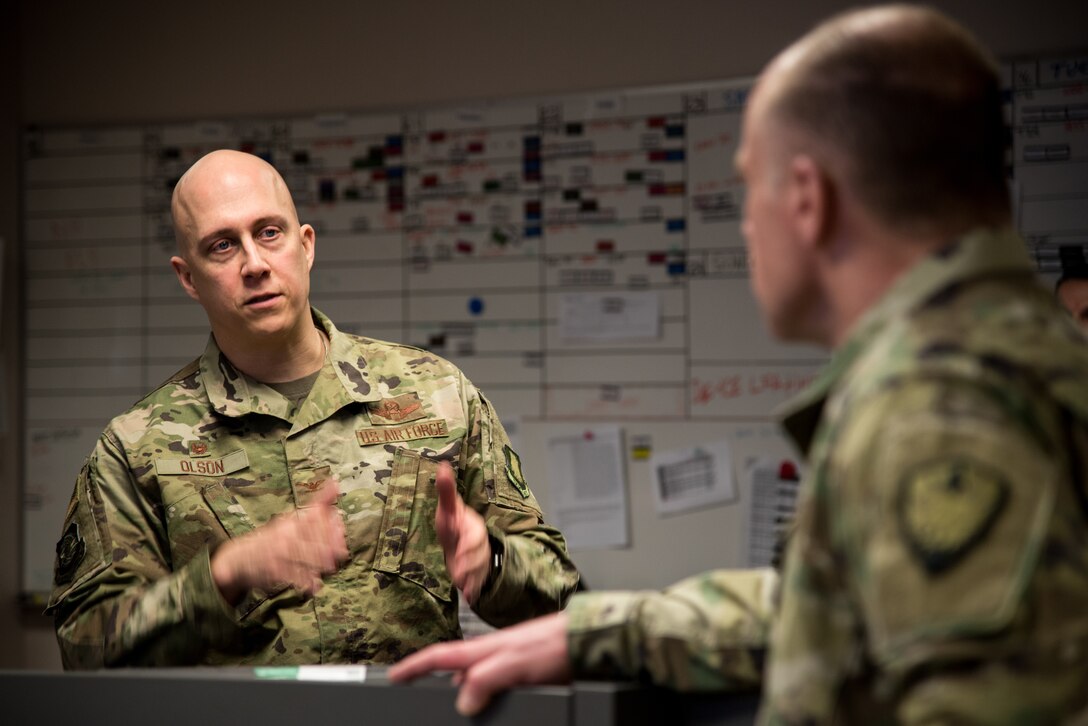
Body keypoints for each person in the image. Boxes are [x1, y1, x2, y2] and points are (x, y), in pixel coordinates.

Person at [390, 4, 1088, 722]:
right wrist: (595, 632)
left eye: (751, 185)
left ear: (809, 200)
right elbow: (833, 611)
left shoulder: (944, 404)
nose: (748, 224)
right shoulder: (1009, 352)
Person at [45, 149, 581, 668]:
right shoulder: (139, 444)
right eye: (223, 246)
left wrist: (489, 562)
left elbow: (558, 597)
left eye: (269, 233)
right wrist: (225, 575)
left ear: (306, 246)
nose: (255, 263)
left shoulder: (437, 395)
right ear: (189, 277)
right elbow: (88, 649)